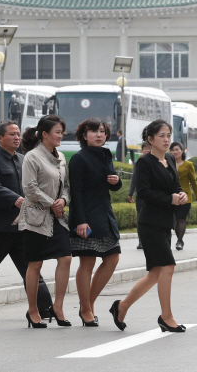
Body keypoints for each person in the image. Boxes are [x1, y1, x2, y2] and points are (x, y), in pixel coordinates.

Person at [0, 121, 53, 320]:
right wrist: (15, 199)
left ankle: (45, 308)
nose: (17, 137)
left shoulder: (24, 160)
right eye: (12, 134)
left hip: (24, 225)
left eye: (18, 134)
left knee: (31, 267)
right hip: (1, 227)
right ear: (0, 138)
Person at [111, 120, 188, 333]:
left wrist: (181, 194)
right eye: (161, 135)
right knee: (168, 266)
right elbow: (143, 192)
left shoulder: (171, 159)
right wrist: (169, 199)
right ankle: (166, 316)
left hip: (165, 224)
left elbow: (175, 185)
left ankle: (121, 306)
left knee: (155, 273)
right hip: (149, 223)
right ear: (150, 139)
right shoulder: (144, 162)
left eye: (168, 135)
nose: (166, 139)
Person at [68, 118, 123, 327]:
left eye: (102, 131)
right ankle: (86, 309)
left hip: (105, 215)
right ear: (84, 135)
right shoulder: (79, 159)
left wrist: (116, 181)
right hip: (86, 218)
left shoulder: (106, 154)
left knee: (113, 258)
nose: (98, 135)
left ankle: (87, 305)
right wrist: (81, 221)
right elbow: (76, 192)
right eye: (93, 131)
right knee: (87, 262)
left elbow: (113, 185)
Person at [19, 115, 72, 328]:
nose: (60, 136)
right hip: (35, 218)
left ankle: (58, 306)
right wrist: (52, 203)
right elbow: (29, 188)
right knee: (35, 264)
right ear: (44, 134)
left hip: (57, 217)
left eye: (61, 132)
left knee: (66, 258)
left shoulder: (61, 157)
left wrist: (63, 200)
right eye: (57, 132)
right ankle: (33, 310)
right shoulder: (32, 157)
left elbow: (66, 185)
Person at [170, 142, 197, 250]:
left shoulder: (188, 165)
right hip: (172, 196)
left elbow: (193, 181)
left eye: (177, 149)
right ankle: (179, 236)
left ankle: (179, 241)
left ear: (182, 151)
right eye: (173, 150)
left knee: (181, 219)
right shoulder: (168, 164)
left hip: (185, 197)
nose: (175, 152)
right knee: (173, 220)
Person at [128, 141, 152, 249]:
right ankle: (141, 241)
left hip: (153, 196)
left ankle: (151, 240)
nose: (147, 150)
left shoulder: (156, 161)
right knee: (140, 219)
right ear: (142, 150)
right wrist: (130, 192)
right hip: (140, 195)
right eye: (145, 148)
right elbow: (134, 178)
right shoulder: (138, 162)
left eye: (149, 148)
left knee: (151, 218)